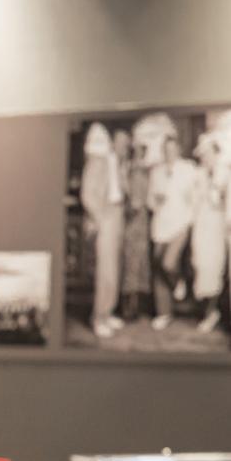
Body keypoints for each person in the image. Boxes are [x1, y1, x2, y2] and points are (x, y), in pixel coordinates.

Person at [80, 123, 126, 339]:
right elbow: (87, 195)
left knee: (113, 268)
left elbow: (115, 188)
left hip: (115, 213)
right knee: (105, 270)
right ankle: (98, 318)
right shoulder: (97, 161)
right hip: (106, 217)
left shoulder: (112, 160)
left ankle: (108, 313)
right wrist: (100, 217)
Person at [148, 135, 197, 331]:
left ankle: (178, 282)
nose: (169, 153)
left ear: (179, 149)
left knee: (168, 263)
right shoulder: (156, 172)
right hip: (160, 226)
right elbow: (150, 200)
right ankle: (164, 313)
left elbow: (196, 197)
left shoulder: (188, 169)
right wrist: (155, 202)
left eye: (173, 149)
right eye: (166, 149)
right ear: (163, 151)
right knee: (159, 270)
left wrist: (189, 208)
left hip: (181, 224)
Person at [191, 133, 229, 333]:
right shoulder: (198, 174)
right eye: (202, 155)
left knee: (214, 269)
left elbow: (220, 202)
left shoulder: (223, 174)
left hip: (216, 228)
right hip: (201, 226)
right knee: (200, 266)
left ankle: (211, 313)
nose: (205, 158)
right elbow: (193, 201)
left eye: (208, 154)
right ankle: (208, 312)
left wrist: (214, 184)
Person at [122, 139, 151, 321]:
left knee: (138, 264)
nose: (137, 153)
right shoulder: (128, 169)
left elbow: (146, 198)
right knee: (130, 264)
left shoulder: (144, 172)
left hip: (140, 222)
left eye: (141, 150)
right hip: (131, 222)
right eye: (135, 150)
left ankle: (134, 307)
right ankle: (128, 307)